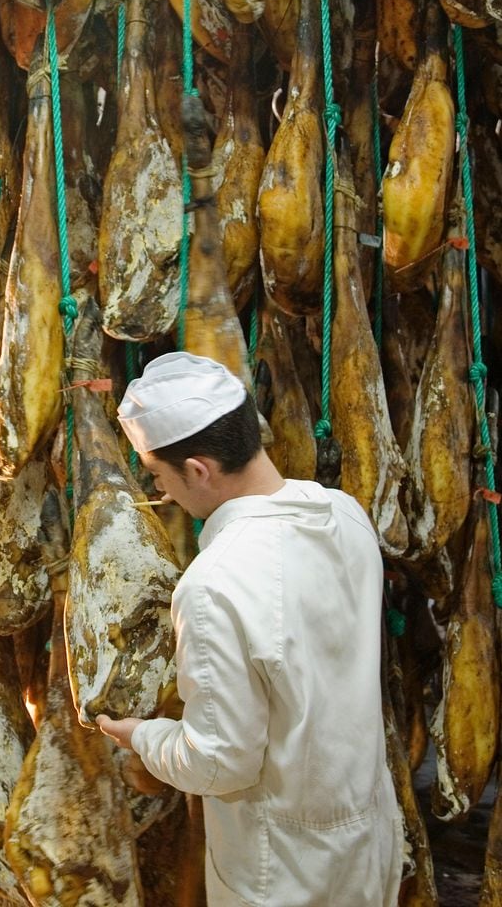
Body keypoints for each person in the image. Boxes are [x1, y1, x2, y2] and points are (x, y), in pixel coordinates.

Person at [96, 351, 403, 907]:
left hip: (283, 871)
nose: (162, 493)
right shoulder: (346, 515)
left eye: (159, 475)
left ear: (197, 470)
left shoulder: (213, 584)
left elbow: (218, 763)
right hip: (367, 840)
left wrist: (140, 734)